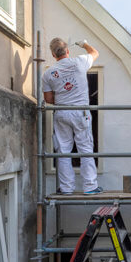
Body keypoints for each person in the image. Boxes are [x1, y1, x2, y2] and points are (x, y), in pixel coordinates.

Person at [42, 37, 103, 195]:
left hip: (62, 112)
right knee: (85, 149)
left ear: (53, 55)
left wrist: (64, 100)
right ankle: (90, 186)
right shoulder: (79, 62)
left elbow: (48, 99)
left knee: (63, 151)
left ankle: (66, 188)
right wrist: (84, 44)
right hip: (80, 112)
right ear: (67, 51)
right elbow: (95, 52)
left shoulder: (48, 74)